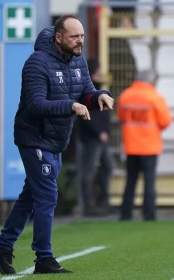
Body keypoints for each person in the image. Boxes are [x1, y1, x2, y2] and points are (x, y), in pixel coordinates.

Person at [0, 15, 114, 275]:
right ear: (58, 37)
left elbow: (85, 92)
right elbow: (35, 104)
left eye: (82, 36)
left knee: (31, 195)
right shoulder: (37, 63)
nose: (80, 41)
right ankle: (44, 258)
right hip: (35, 138)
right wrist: (71, 106)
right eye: (74, 37)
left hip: (56, 140)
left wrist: (99, 96)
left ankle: (2, 246)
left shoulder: (78, 60)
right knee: (47, 195)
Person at [117, 69, 172, 221]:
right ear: (152, 81)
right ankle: (148, 214)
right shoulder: (154, 97)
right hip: (149, 146)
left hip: (131, 145)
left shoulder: (125, 95)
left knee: (130, 181)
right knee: (149, 182)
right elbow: (165, 121)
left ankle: (125, 213)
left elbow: (121, 117)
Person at [78, 58, 113, 216]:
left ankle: (102, 201)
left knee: (107, 167)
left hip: (100, 136)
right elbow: (88, 116)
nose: (101, 73)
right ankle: (89, 205)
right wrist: (100, 131)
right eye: (98, 71)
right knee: (89, 171)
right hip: (93, 138)